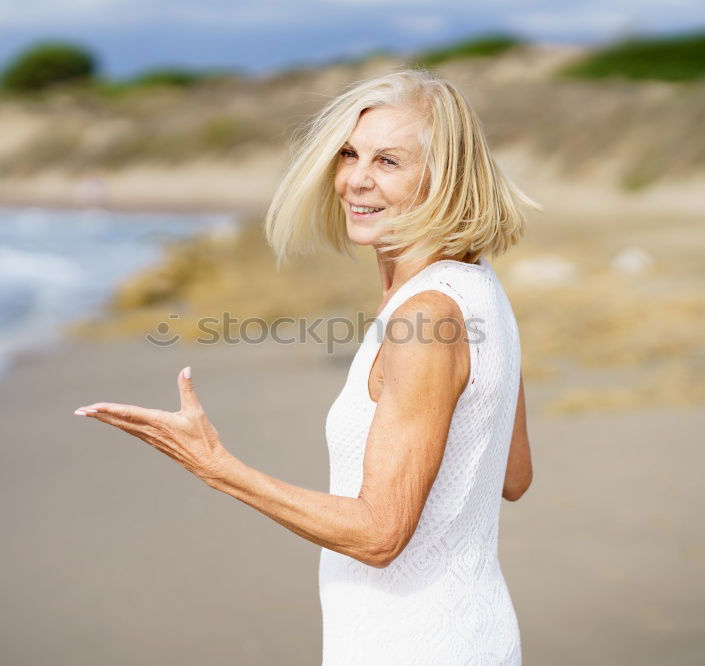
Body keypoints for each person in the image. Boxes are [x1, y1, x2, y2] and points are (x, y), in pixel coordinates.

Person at [74, 67, 539, 665]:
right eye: (349, 154)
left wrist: (216, 466)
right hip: (475, 636)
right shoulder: (481, 289)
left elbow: (379, 535)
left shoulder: (425, 316)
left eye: (389, 162)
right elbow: (513, 474)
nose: (356, 181)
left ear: (443, 179)